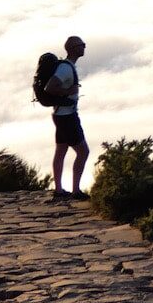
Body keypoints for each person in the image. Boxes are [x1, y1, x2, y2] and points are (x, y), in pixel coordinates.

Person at [44, 35, 89, 200]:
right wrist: (67, 92)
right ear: (73, 48)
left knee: (61, 150)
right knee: (83, 152)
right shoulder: (66, 68)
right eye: (81, 44)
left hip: (60, 114)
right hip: (67, 116)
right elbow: (50, 87)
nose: (84, 47)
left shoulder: (67, 66)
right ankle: (76, 190)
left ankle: (59, 190)